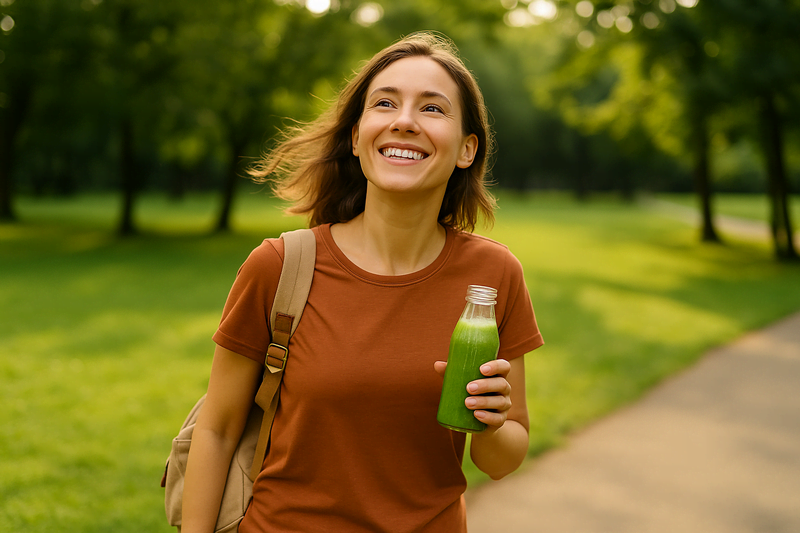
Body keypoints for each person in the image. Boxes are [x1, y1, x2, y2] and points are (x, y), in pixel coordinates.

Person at [181, 32, 543, 533]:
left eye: (432, 108)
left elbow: (502, 460)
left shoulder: (492, 277)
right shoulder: (280, 266)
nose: (404, 121)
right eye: (385, 103)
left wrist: (491, 422)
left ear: (466, 149)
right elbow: (217, 431)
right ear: (356, 138)